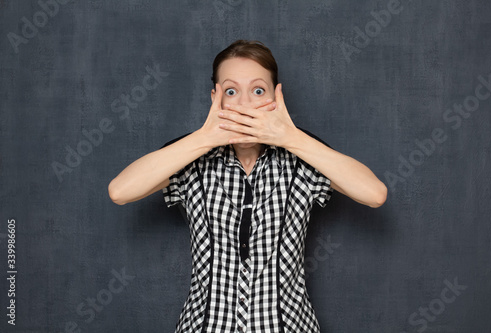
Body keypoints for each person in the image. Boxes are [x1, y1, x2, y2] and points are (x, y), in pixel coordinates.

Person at [108, 40, 387, 333]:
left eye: (258, 91)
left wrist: (290, 138)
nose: (244, 105)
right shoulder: (190, 157)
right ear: (215, 97)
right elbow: (121, 191)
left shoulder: (302, 156)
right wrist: (205, 138)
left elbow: (374, 194)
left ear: (276, 98)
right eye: (231, 91)